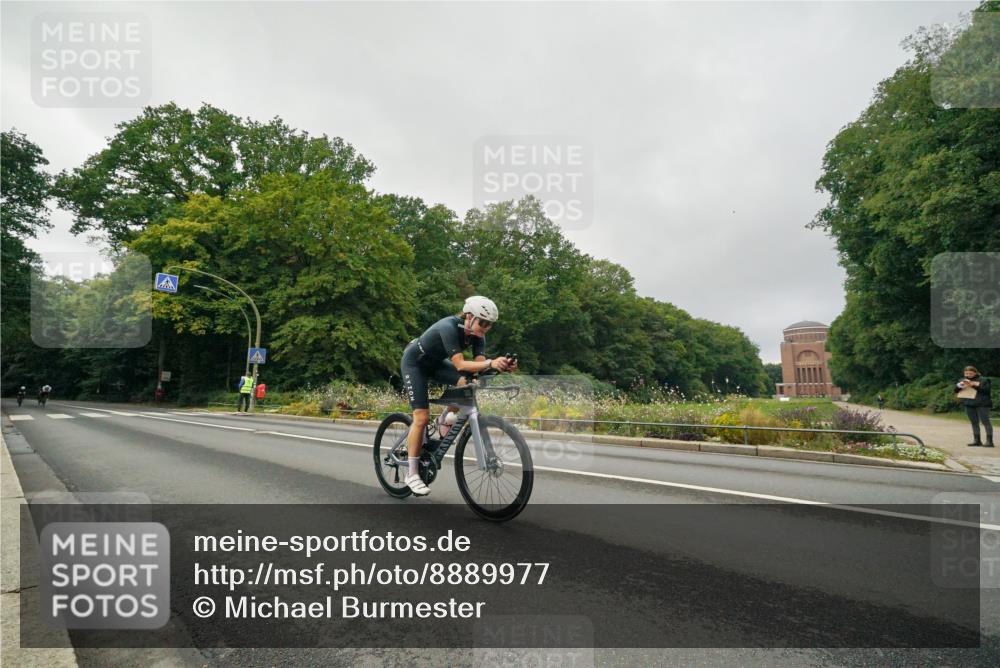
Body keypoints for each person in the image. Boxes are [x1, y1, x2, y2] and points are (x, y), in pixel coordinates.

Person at [400, 296, 516, 496]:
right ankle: (411, 474)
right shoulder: (449, 327)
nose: (486, 328)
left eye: (490, 325)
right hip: (415, 364)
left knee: (468, 383)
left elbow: (477, 369)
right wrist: (490, 362)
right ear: (469, 316)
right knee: (421, 417)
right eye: (483, 322)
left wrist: (502, 366)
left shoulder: (478, 335)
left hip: (436, 365)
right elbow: (461, 365)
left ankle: (444, 420)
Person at [954, 366, 993, 447]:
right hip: (969, 403)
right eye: (966, 373)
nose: (968, 375)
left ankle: (989, 441)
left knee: (985, 422)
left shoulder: (984, 380)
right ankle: (977, 440)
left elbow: (986, 391)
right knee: (974, 422)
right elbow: (956, 391)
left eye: (970, 373)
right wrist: (958, 386)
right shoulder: (963, 380)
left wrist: (973, 385)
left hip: (982, 404)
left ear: (975, 372)